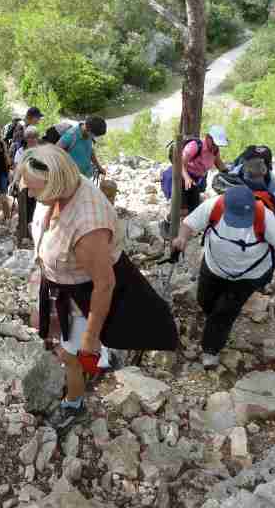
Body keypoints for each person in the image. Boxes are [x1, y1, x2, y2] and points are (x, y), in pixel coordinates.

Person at [19, 145, 178, 428]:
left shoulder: (87, 225)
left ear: (54, 183)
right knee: (60, 340)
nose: (29, 194)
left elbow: (104, 284)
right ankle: (97, 358)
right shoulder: (62, 187)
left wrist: (91, 337)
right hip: (62, 285)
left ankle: (74, 403)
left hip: (82, 296)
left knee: (73, 355)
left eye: (33, 188)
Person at [171, 185, 275, 369]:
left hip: (248, 276)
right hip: (214, 266)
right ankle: (215, 323)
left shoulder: (266, 219)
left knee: (224, 311)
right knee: (204, 301)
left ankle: (211, 350)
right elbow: (189, 224)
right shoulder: (214, 206)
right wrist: (182, 238)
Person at [180, 125, 231, 214]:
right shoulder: (194, 146)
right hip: (182, 177)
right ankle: (168, 219)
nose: (215, 147)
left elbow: (218, 163)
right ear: (208, 137)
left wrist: (230, 175)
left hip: (195, 181)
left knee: (193, 210)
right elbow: (180, 163)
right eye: (214, 144)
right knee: (182, 210)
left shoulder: (215, 150)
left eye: (217, 145)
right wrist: (187, 178)